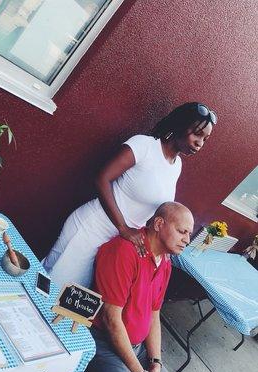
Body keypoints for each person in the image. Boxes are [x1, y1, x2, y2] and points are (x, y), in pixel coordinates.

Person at [43, 102, 217, 288]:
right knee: (51, 285)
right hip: (91, 229)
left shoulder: (177, 165)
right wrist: (123, 227)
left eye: (205, 139)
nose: (200, 143)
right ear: (180, 126)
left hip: (115, 243)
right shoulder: (144, 146)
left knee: (71, 299)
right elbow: (102, 179)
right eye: (197, 134)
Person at [86, 202, 194, 372]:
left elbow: (154, 314)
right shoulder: (124, 251)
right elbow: (111, 319)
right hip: (104, 344)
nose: (187, 240)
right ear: (159, 224)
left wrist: (155, 363)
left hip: (139, 350)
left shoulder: (165, 262)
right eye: (182, 231)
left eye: (189, 234)